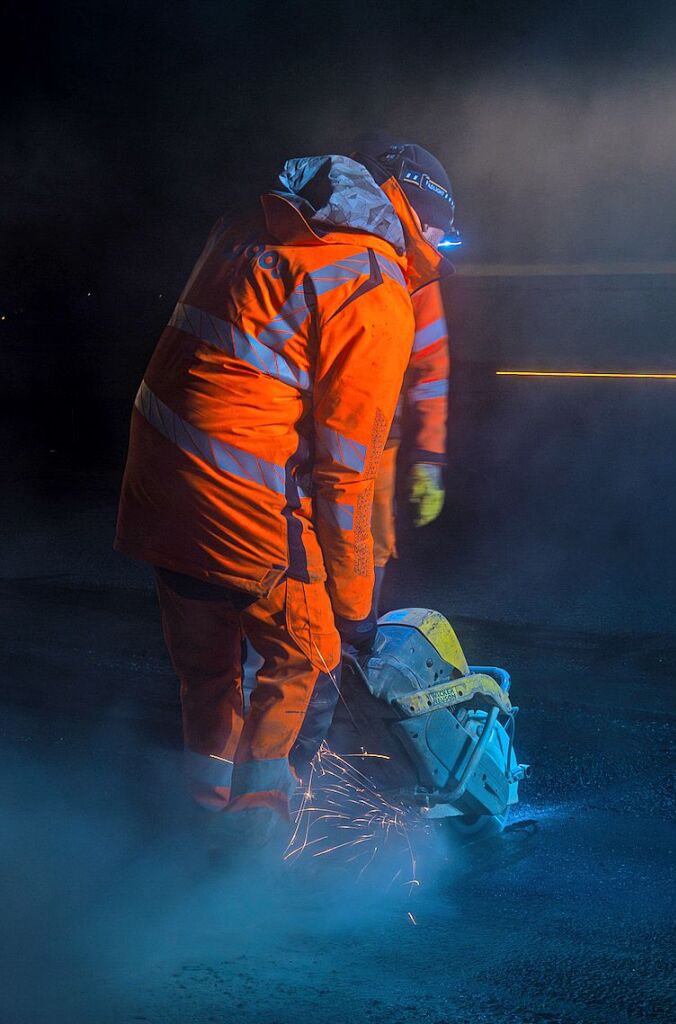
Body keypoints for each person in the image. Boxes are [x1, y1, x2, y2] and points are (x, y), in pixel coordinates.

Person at [114, 143, 455, 844]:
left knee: (209, 677)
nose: (442, 252)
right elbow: (345, 472)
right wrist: (357, 609)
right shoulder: (372, 288)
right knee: (309, 654)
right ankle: (252, 859)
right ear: (420, 219)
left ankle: (198, 828)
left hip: (157, 491)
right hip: (238, 499)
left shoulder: (245, 229)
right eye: (443, 235)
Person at [351, 136, 453, 613]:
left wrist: (429, 456)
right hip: (313, 440)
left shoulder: (416, 277)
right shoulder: (342, 253)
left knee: (370, 544)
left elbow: (430, 368)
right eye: (437, 229)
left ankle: (352, 641)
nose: (438, 243)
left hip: (376, 440)